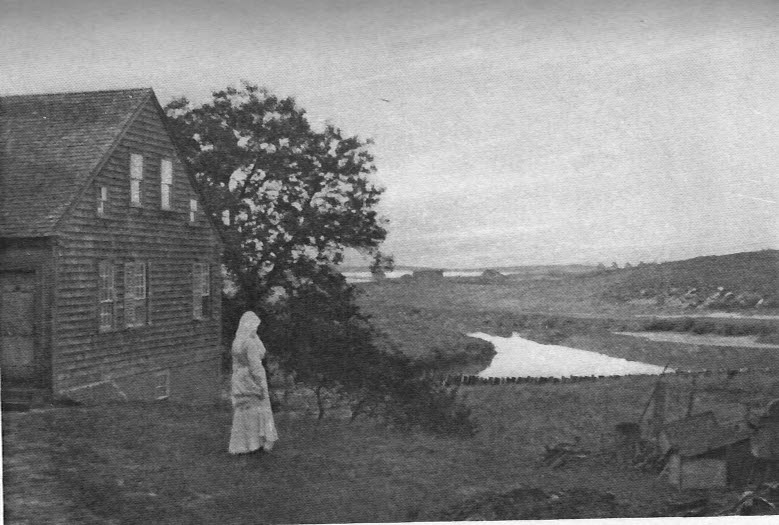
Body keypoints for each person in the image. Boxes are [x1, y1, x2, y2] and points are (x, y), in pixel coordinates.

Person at [228, 311, 278, 455]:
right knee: (256, 409)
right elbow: (255, 364)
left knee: (243, 410)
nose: (255, 329)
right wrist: (261, 384)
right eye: (254, 327)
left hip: (240, 378)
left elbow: (236, 364)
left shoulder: (237, 342)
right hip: (251, 377)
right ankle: (255, 444)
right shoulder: (249, 343)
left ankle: (243, 444)